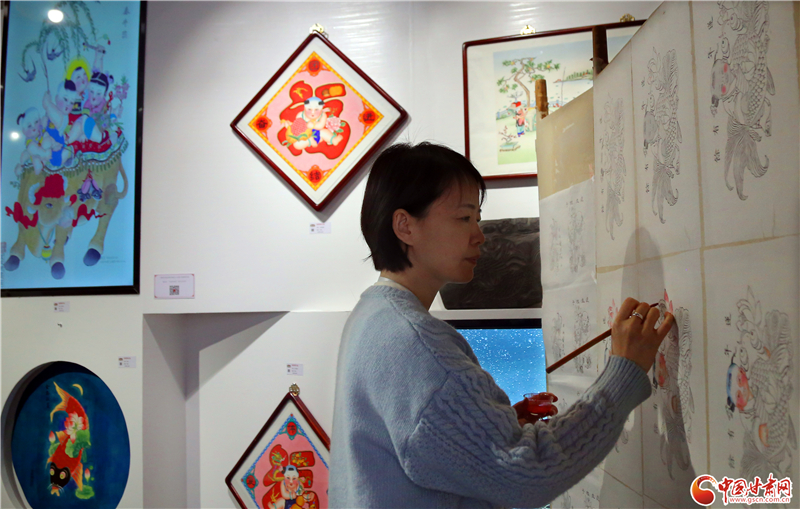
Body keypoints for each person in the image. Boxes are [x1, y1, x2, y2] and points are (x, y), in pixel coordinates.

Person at [329, 142, 674, 508]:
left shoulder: (372, 315)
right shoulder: (417, 344)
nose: (479, 235)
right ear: (405, 226)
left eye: (476, 218)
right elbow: (529, 476)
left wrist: (491, 428)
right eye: (464, 218)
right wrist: (625, 370)